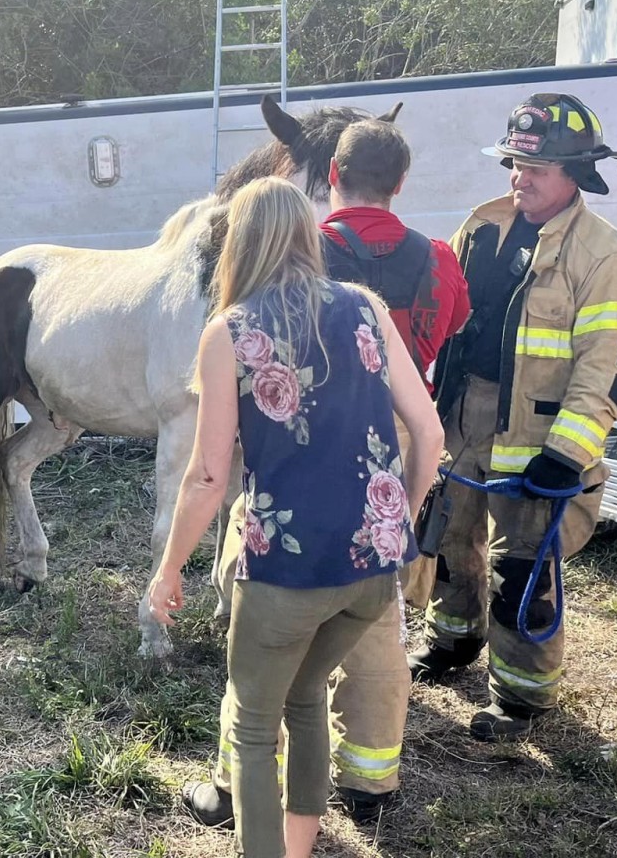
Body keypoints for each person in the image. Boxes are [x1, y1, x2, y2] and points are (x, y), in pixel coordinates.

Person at [147, 177, 442, 858]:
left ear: (239, 245)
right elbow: (428, 434)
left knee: (254, 728)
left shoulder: (229, 332)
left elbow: (208, 476)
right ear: (309, 237)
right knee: (306, 699)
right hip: (370, 570)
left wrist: (167, 571)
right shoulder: (366, 308)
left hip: (283, 573)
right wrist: (400, 521)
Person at [194, 120, 469, 829]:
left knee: (260, 651)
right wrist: (399, 511)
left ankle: (234, 782)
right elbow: (447, 347)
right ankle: (372, 778)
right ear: (401, 182)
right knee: (378, 637)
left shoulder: (301, 267)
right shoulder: (436, 259)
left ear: (331, 176)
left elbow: (213, 459)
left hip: (294, 463)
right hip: (393, 453)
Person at [412, 93, 617, 741]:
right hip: (463, 416)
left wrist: (567, 453)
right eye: (514, 165)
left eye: (535, 170)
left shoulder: (607, 259)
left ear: (575, 174)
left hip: (540, 433)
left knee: (522, 566)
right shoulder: (481, 227)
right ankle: (453, 640)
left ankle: (521, 697)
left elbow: (610, 369)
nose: (519, 179)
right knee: (448, 539)